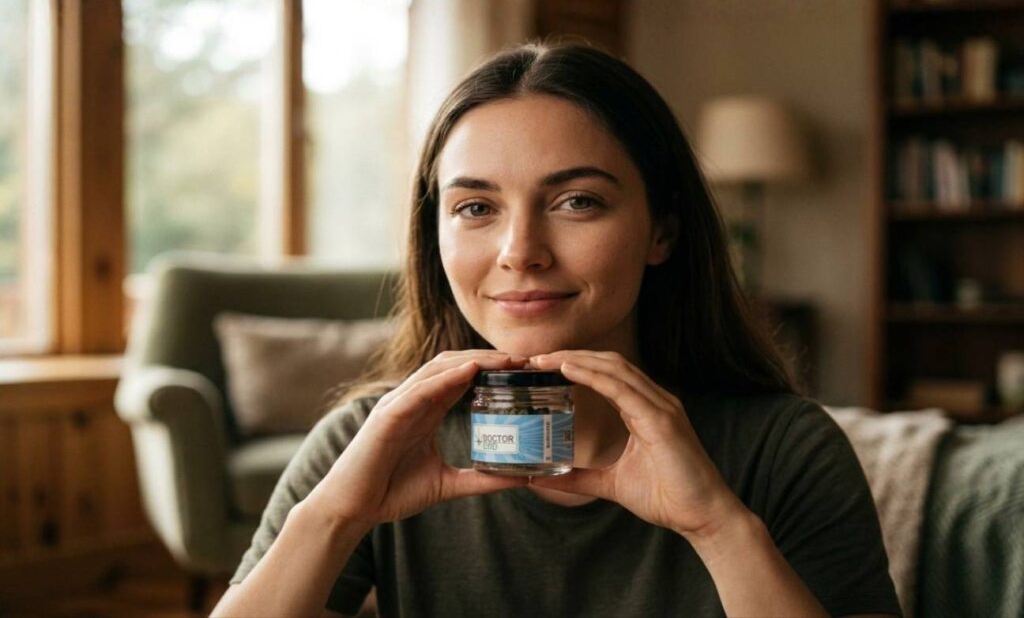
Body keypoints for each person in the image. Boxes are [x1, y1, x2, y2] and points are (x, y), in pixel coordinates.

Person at [212, 41, 901, 618]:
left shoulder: (785, 450)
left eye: (578, 201)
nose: (520, 250)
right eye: (476, 206)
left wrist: (717, 526)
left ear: (662, 228)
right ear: (436, 236)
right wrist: (334, 518)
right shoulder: (367, 442)